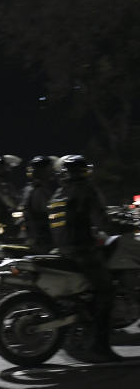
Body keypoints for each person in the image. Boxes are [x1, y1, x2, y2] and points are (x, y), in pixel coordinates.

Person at [48, 154, 119, 361]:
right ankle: (100, 345)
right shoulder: (86, 190)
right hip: (82, 251)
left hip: (64, 249)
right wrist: (121, 226)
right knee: (106, 291)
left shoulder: (58, 193)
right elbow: (103, 222)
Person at [20, 156, 57, 254]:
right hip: (44, 240)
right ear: (42, 171)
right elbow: (51, 213)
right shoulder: (40, 191)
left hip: (34, 237)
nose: (52, 171)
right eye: (49, 169)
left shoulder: (30, 188)